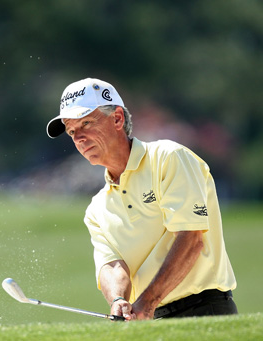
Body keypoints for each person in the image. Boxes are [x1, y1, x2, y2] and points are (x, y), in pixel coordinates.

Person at [46, 78, 237, 320]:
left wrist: (147, 301)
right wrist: (118, 299)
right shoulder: (97, 208)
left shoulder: (168, 158)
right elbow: (113, 266)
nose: (79, 138)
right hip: (150, 320)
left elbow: (191, 240)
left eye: (86, 123)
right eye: (72, 131)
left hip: (204, 311)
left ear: (117, 118)